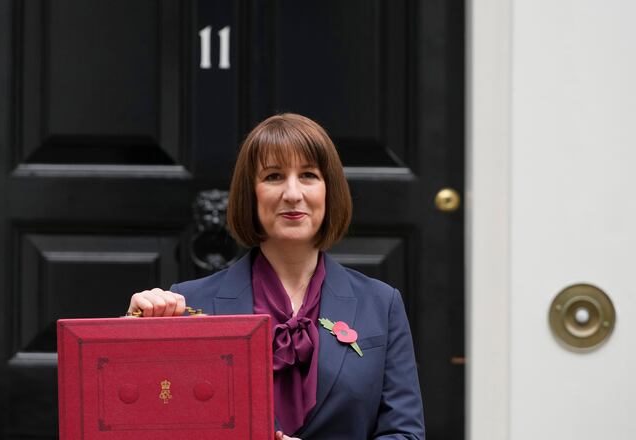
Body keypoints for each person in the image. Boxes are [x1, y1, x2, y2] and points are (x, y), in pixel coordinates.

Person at [128, 113, 425, 439]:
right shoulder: (189, 304)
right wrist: (131, 335)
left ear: (330, 191)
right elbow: (148, 422)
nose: (293, 193)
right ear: (250, 195)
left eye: (309, 175)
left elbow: (405, 434)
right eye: (273, 176)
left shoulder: (381, 304)